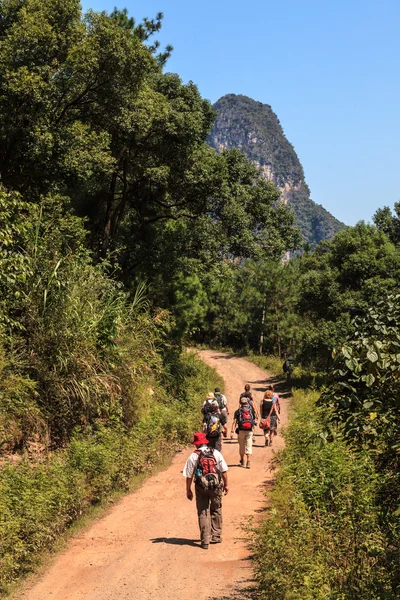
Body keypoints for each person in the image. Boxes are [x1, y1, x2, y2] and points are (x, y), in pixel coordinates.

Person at [183, 432, 229, 549]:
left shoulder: (193, 456)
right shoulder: (215, 453)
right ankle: (216, 536)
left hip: (201, 487)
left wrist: (188, 490)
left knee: (203, 512)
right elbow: (224, 471)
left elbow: (189, 475)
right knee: (216, 509)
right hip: (216, 486)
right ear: (205, 441)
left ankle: (205, 541)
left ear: (196, 444)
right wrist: (226, 485)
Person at [230, 397, 256, 469]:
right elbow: (253, 422)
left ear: (240, 403)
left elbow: (234, 422)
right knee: (249, 446)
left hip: (241, 431)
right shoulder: (251, 411)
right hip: (249, 431)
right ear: (247, 402)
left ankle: (242, 460)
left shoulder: (238, 411)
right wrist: (254, 433)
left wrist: (232, 431)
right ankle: (248, 461)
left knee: (241, 446)